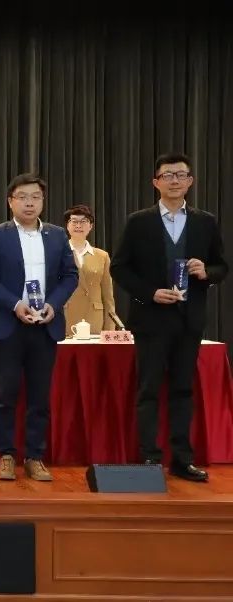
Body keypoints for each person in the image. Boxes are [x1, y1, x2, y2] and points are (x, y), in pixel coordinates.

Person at [110, 153, 228, 482]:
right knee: (148, 390)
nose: (174, 181)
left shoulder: (205, 221)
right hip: (150, 320)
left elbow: (222, 266)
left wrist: (207, 271)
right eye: (167, 175)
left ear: (190, 181)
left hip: (189, 320)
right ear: (155, 182)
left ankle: (182, 459)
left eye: (180, 175)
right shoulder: (139, 222)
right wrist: (149, 293)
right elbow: (119, 267)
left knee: (182, 390)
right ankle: (149, 458)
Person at [0, 173, 77, 482]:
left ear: (43, 201)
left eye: (35, 197)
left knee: (40, 397)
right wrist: (14, 304)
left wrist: (53, 304)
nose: (29, 203)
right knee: (6, 395)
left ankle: (35, 456)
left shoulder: (57, 236)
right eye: (22, 197)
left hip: (45, 325)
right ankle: (6, 455)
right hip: (9, 325)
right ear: (11, 202)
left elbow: (70, 276)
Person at [62, 204, 116, 336]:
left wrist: (110, 329)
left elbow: (108, 296)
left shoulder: (102, 256)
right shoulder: (58, 253)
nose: (78, 225)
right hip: (65, 315)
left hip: (93, 317)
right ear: (67, 225)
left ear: (91, 226)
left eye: (83, 221)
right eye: (74, 221)